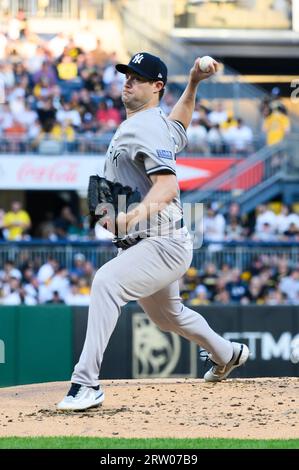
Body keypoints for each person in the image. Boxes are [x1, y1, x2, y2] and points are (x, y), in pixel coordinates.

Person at [57, 52, 250, 411]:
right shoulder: (154, 122)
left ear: (157, 86)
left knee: (106, 283)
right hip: (150, 241)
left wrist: (127, 219)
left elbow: (168, 188)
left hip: (160, 241)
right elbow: (179, 126)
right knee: (168, 316)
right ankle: (228, 353)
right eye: (127, 75)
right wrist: (192, 83)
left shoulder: (143, 126)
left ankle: (85, 384)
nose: (128, 81)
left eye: (138, 77)